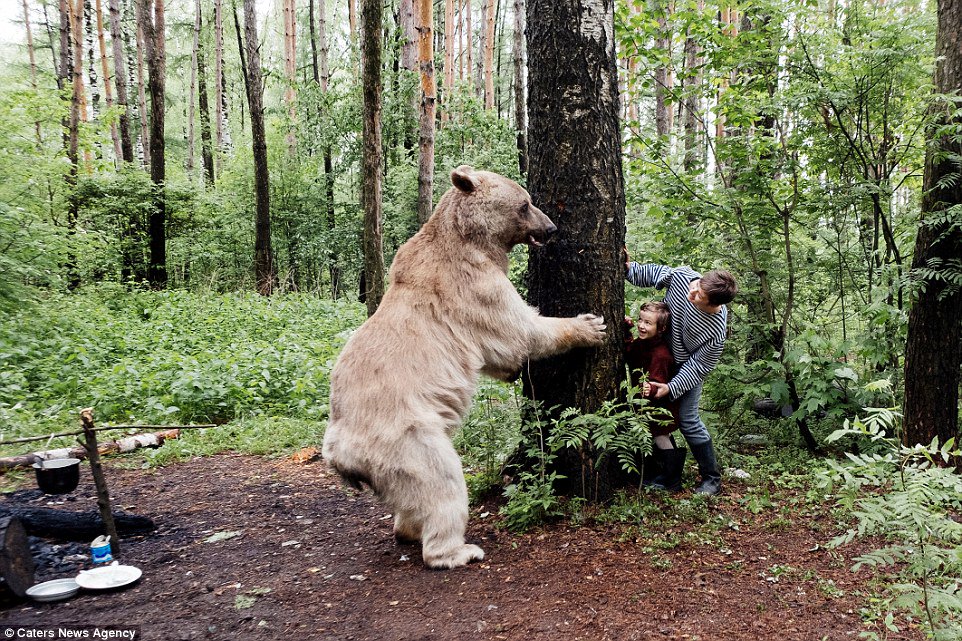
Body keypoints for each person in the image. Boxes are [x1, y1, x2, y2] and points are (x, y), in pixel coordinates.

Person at [625, 257, 737, 495]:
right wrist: (628, 268)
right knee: (654, 417)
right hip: (659, 358)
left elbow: (699, 366)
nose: (691, 293)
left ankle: (711, 479)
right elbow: (654, 274)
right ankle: (668, 474)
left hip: (685, 369)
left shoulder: (716, 330)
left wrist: (672, 387)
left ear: (714, 305)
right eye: (696, 286)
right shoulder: (685, 278)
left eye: (699, 297)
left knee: (687, 419)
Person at [624, 301, 685, 491]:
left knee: (660, 436)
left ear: (661, 328)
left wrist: (648, 388)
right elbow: (629, 353)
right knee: (658, 437)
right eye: (640, 320)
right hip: (648, 405)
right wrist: (627, 331)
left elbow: (657, 382)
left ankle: (672, 481)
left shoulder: (660, 354)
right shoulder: (644, 344)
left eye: (648, 323)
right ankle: (660, 472)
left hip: (661, 406)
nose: (642, 325)